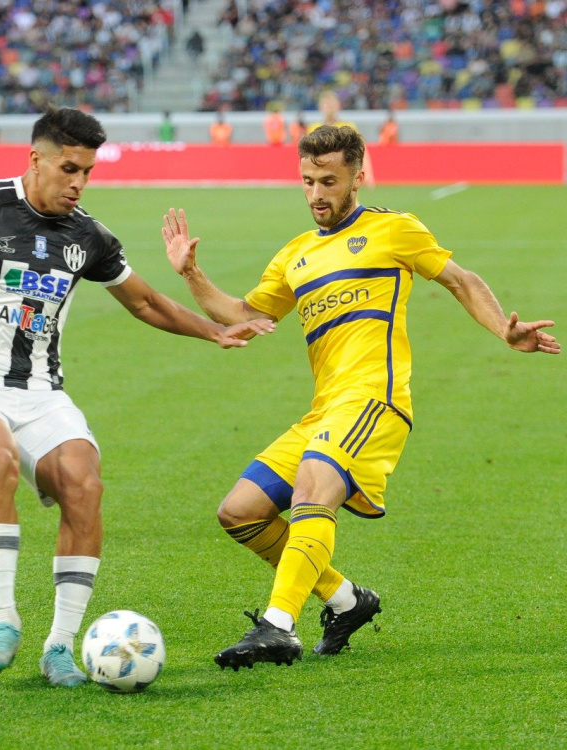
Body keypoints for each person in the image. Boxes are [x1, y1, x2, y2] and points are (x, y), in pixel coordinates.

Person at [0, 107, 273, 687]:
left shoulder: (86, 235)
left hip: (42, 391)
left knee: (86, 486)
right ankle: (4, 623)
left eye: (88, 172)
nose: (79, 183)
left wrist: (213, 329)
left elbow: (145, 302)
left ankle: (60, 647)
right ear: (36, 159)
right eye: (69, 168)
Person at [161, 124, 559, 671]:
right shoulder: (295, 255)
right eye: (307, 181)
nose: (316, 194)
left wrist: (503, 331)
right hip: (325, 409)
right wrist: (192, 274)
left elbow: (462, 280)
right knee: (240, 513)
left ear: (357, 175)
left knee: (312, 487)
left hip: (375, 399)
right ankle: (347, 601)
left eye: (329, 180)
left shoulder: (394, 230)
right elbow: (247, 316)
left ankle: (279, 626)